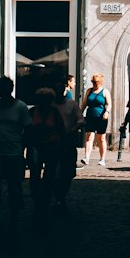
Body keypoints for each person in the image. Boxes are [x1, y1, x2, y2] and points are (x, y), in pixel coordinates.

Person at [0, 76, 32, 232]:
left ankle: (13, 218)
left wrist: (23, 149)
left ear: (10, 89)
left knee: (14, 188)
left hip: (14, 153)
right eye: (1, 89)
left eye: (6, 89)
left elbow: (28, 130)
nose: (3, 92)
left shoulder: (21, 107)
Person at [26, 86, 66, 225]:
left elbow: (61, 131)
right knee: (34, 179)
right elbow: (27, 132)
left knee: (48, 178)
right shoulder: (32, 112)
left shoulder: (54, 112)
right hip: (36, 147)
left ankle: (43, 206)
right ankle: (39, 203)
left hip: (52, 148)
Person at [53, 79, 81, 207]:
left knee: (69, 172)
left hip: (69, 142)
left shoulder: (72, 104)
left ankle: (62, 194)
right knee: (54, 171)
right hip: (53, 142)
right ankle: (58, 196)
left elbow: (81, 119)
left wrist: (74, 128)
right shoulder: (51, 106)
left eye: (60, 90)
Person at [81, 73, 111, 166]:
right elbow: (84, 103)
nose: (94, 84)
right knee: (89, 136)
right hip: (90, 116)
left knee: (101, 138)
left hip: (101, 118)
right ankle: (87, 157)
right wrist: (80, 113)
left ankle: (102, 159)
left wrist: (107, 112)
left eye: (96, 82)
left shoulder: (105, 91)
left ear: (100, 82)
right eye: (93, 82)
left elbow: (109, 104)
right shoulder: (89, 91)